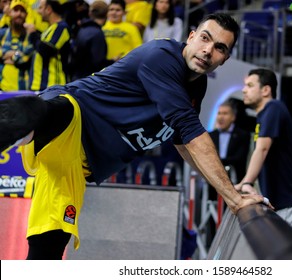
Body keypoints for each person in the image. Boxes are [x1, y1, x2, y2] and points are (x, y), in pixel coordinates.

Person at [0, 13, 270, 260]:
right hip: (74, 118)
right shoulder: (162, 56)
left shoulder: (196, 86)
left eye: (220, 48)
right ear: (191, 37)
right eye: (204, 38)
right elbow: (191, 133)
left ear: (224, 58)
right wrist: (234, 200)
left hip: (75, 167)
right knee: (51, 112)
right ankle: (22, 121)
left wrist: (228, 188)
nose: (208, 50)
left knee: (47, 249)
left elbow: (182, 141)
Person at [234, 68, 292, 234]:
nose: (243, 90)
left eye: (250, 85)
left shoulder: (273, 108)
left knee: (283, 258)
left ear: (266, 90)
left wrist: (247, 182)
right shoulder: (264, 114)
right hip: (283, 202)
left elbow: (262, 149)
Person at [25, 0, 71, 91]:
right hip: (39, 86)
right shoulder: (49, 29)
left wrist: (32, 34)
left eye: (41, 8)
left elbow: (46, 50)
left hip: (51, 87)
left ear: (49, 9)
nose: (38, 11)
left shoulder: (61, 27)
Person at [209, 99, 250, 186]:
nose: (221, 117)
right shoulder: (210, 136)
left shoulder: (243, 135)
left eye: (225, 113)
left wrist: (217, 161)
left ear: (233, 117)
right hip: (214, 184)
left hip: (236, 182)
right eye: (219, 113)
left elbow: (239, 158)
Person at [70, 0, 109, 81]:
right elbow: (98, 62)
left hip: (77, 78)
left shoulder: (82, 29)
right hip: (89, 81)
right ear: (106, 14)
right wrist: (113, 62)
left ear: (90, 13)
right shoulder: (97, 33)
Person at [0, 0, 34, 91]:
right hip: (2, 88)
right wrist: (5, 54)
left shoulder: (30, 36)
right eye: (16, 10)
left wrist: (12, 55)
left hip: (23, 89)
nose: (19, 14)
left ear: (26, 15)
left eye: (22, 11)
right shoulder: (2, 34)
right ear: (10, 13)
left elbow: (25, 59)